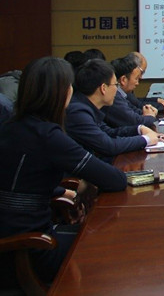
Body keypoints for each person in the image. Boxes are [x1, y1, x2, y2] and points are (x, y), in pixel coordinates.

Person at [0, 57, 126, 284]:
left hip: (10, 236)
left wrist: (64, 191)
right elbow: (115, 180)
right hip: (29, 249)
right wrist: (85, 184)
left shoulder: (11, 126)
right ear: (62, 92)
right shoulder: (49, 136)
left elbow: (22, 180)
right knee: (113, 242)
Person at [65, 59, 164, 162]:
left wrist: (139, 129)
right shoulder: (78, 112)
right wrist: (147, 139)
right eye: (115, 85)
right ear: (103, 88)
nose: (117, 90)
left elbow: (109, 132)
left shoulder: (87, 106)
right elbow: (109, 146)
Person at [104, 55, 158, 128]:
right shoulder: (114, 97)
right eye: (136, 78)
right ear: (123, 80)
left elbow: (134, 110)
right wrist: (150, 117)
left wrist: (149, 111)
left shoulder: (122, 95)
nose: (137, 83)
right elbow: (134, 121)